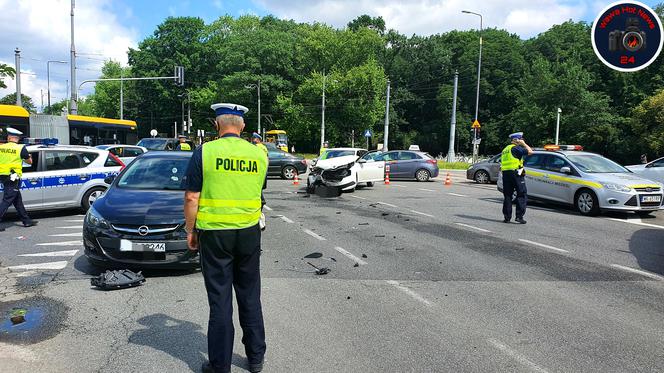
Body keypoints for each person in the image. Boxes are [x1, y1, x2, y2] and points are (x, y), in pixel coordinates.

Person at [184, 103, 268, 373]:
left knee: (220, 300)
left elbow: (191, 197)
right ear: (242, 126)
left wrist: (190, 231)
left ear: (216, 124)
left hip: (215, 234)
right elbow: (258, 192)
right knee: (250, 295)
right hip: (248, 233)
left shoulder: (204, 152)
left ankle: (220, 366)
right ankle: (255, 359)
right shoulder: (259, 155)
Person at [0, 128, 37, 231]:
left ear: (9, 137)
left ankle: (26, 221)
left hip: (2, 175)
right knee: (7, 200)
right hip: (13, 177)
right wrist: (29, 156)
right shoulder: (20, 148)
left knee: (17, 199)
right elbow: (29, 162)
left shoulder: (1, 147)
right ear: (17, 138)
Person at [501, 132, 533, 224]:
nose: (522, 140)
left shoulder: (505, 149)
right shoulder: (516, 148)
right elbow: (531, 152)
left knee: (507, 195)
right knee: (521, 194)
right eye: (521, 139)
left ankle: (507, 217)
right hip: (516, 173)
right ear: (516, 140)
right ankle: (519, 217)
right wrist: (524, 144)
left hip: (506, 174)